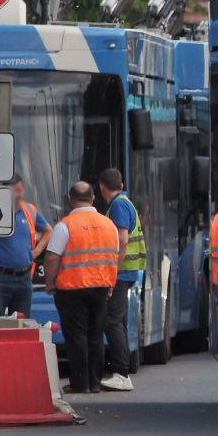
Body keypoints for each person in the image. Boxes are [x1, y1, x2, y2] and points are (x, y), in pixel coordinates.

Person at [44, 181, 119, 394]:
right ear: (93, 198)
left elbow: (52, 258)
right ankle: (95, 382)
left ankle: (80, 383)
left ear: (70, 199)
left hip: (72, 289)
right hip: (101, 288)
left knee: (77, 336)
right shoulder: (108, 225)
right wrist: (110, 283)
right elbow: (114, 256)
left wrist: (50, 283)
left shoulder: (65, 225)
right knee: (96, 335)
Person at [0, 173, 51, 317]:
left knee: (21, 326)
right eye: (13, 192)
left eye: (19, 190)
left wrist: (36, 252)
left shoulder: (30, 210)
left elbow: (48, 231)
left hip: (24, 278)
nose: (17, 195)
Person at [97, 168, 144, 392]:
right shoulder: (125, 202)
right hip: (127, 272)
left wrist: (112, 272)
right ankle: (122, 371)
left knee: (112, 321)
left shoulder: (118, 205)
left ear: (101, 187)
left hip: (121, 272)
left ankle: (121, 373)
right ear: (121, 185)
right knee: (118, 321)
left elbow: (122, 239)